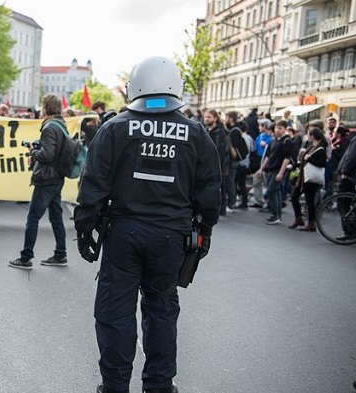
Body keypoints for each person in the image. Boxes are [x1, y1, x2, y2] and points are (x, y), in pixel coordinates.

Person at [74, 56, 221, 393]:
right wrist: (205, 230)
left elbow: (92, 185)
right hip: (172, 236)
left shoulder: (114, 128)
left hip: (123, 235)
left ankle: (114, 385)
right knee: (162, 311)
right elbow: (210, 190)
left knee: (115, 313)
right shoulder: (196, 133)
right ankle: (159, 385)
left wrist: (85, 229)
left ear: (134, 87)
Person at [8, 94, 69, 269]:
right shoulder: (61, 125)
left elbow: (47, 154)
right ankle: (60, 254)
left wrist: (32, 152)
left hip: (47, 178)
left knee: (33, 218)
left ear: (45, 107)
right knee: (56, 217)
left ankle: (26, 257)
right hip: (57, 177)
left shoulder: (50, 126)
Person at [255, 121, 298, 225]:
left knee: (271, 190)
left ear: (285, 129)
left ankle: (276, 215)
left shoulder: (287, 141)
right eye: (276, 128)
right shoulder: (273, 141)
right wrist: (261, 169)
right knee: (275, 192)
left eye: (280, 128)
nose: (278, 130)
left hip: (279, 169)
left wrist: (281, 172)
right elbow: (268, 156)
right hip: (271, 169)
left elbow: (287, 158)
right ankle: (276, 214)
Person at [289, 127, 327, 231]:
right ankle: (299, 218)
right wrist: (295, 165)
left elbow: (322, 163)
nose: (307, 137)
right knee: (294, 197)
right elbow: (304, 161)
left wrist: (309, 158)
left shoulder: (320, 149)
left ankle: (311, 223)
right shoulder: (311, 147)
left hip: (311, 179)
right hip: (303, 178)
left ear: (313, 136)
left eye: (309, 135)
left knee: (309, 201)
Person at [204, 109, 231, 215]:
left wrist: (217, 166)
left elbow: (220, 151)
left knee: (220, 187)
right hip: (208, 164)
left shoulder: (220, 132)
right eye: (205, 117)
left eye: (209, 117)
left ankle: (221, 209)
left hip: (219, 165)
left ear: (215, 118)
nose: (206, 119)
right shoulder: (205, 130)